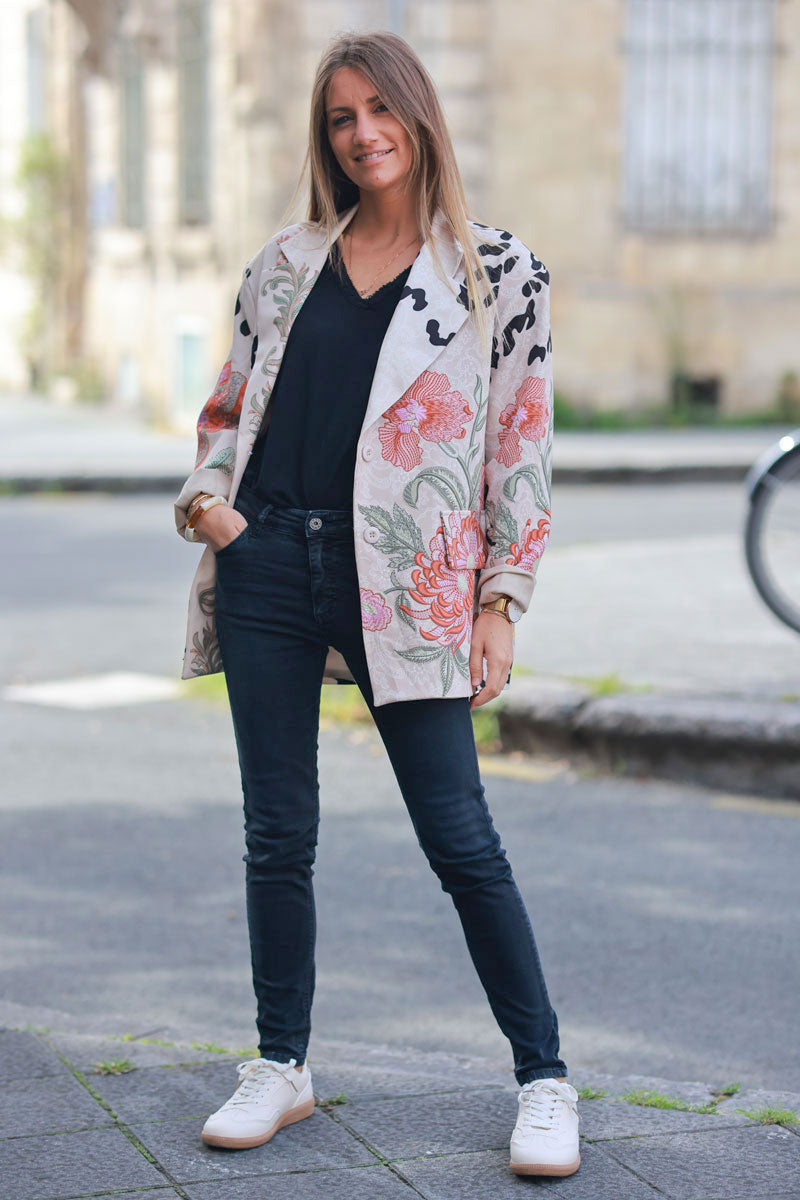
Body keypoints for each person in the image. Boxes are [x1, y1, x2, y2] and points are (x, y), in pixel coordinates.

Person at [173, 29, 580, 1179]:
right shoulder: (286, 262)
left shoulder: (497, 273)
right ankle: (280, 1064)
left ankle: (542, 1079)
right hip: (269, 565)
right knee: (276, 834)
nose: (361, 133)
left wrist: (502, 596)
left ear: (417, 115)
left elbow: (521, 446)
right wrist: (214, 510)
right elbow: (224, 408)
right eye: (340, 117)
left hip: (405, 578)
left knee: (459, 837)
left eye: (377, 110)